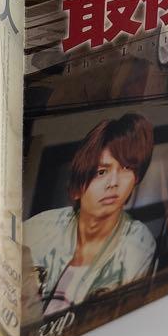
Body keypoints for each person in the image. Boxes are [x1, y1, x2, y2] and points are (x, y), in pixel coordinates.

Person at [21, 113, 156, 316]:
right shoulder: (39, 228)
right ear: (78, 187)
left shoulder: (137, 244)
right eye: (101, 172)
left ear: (136, 177)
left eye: (126, 168)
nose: (114, 183)